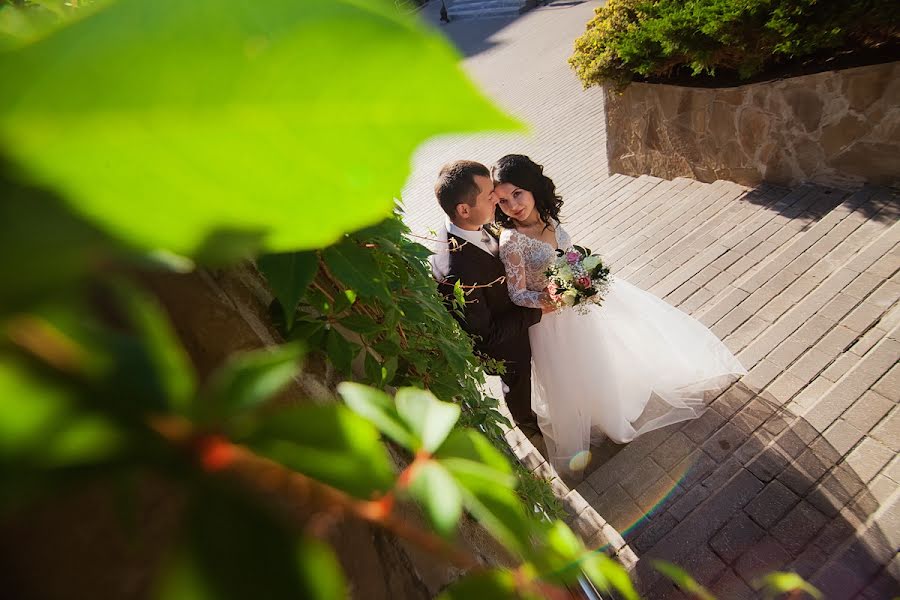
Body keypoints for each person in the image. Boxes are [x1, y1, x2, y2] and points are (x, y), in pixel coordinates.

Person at [492, 154, 747, 475]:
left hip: (579, 310)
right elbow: (517, 293)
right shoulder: (512, 241)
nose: (513, 205)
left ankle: (609, 415)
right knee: (568, 375)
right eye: (502, 201)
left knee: (596, 360)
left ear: (531, 187)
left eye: (517, 193)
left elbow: (568, 254)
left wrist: (582, 276)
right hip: (550, 324)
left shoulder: (548, 218)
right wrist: (551, 299)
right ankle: (581, 428)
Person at [429, 160, 545, 426]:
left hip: (521, 311)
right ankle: (526, 422)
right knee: (518, 383)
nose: (496, 197)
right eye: (488, 194)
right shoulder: (455, 273)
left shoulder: (466, 223)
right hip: (508, 345)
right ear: (464, 209)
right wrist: (538, 310)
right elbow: (486, 335)